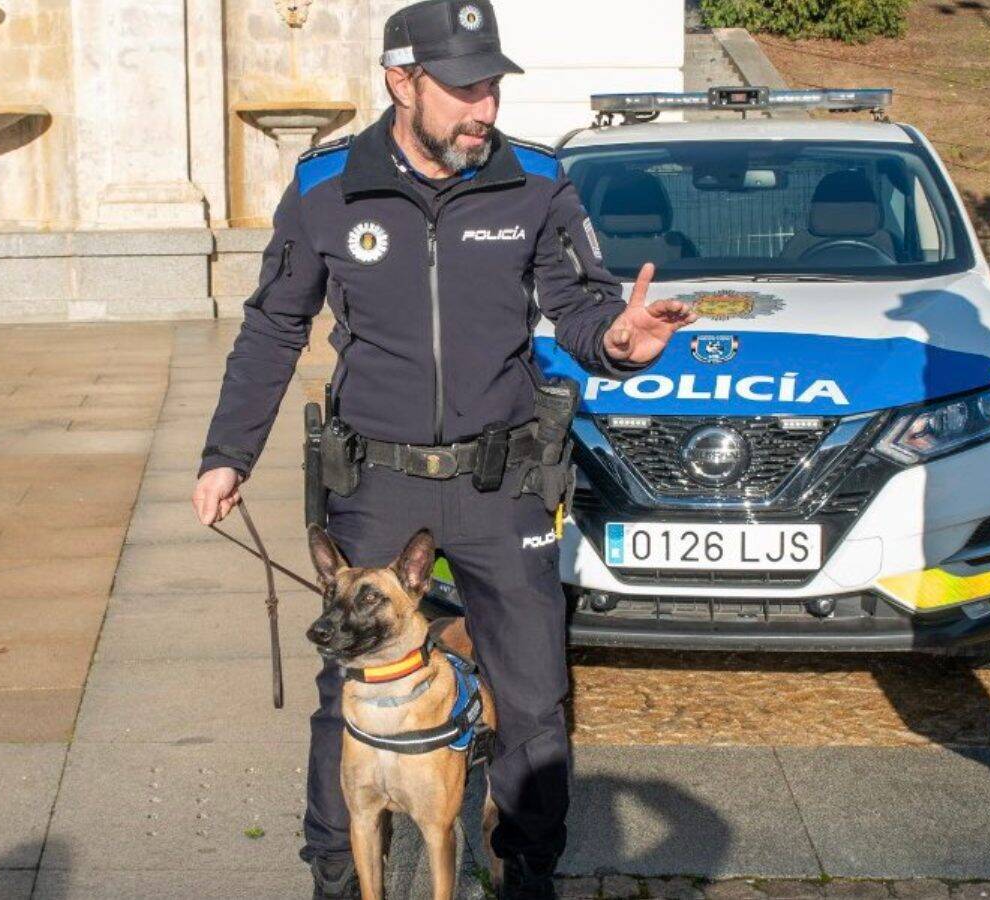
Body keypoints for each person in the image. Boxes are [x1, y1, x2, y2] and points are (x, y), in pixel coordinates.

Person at [190, 2, 695, 896]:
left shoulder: (535, 180)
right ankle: (339, 873)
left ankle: (527, 871)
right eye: (464, 88)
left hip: (501, 483)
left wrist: (616, 342)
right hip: (376, 482)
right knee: (345, 691)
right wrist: (227, 453)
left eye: (493, 85)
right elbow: (275, 325)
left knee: (534, 696)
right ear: (401, 82)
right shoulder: (325, 185)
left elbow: (579, 310)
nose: (485, 108)